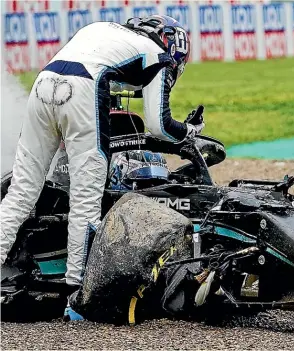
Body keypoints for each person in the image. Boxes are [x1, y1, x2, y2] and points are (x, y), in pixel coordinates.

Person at [0, 15, 204, 319]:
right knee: (86, 201)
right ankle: (76, 297)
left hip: (44, 83)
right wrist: (189, 130)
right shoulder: (158, 56)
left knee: (19, 195)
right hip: (83, 89)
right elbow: (159, 126)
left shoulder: (103, 31)